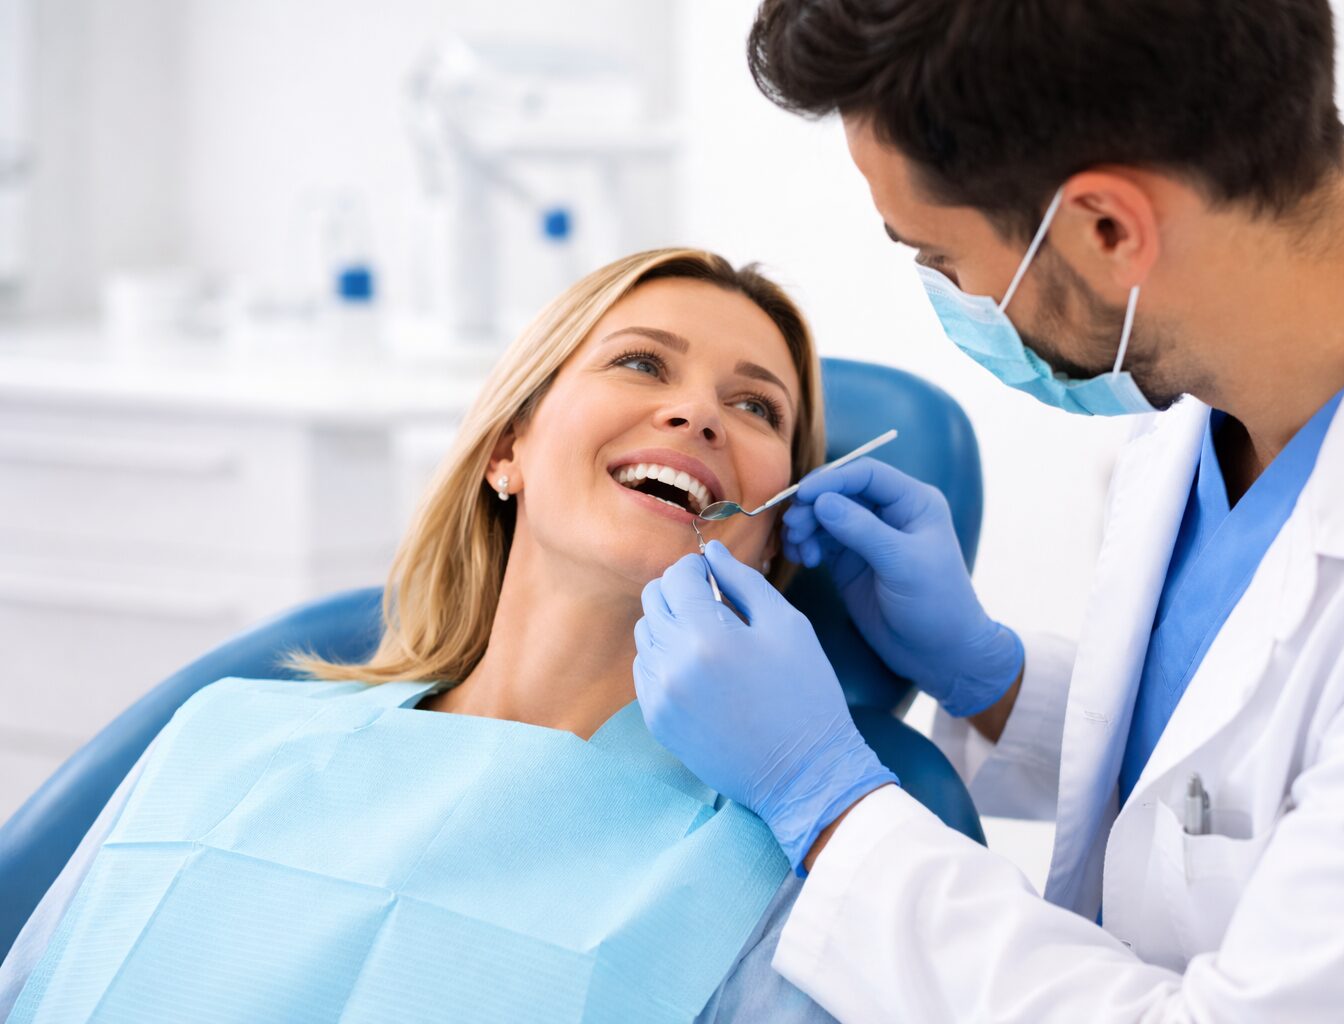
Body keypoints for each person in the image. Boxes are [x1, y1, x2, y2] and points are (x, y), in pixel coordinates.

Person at [631, 1, 1344, 1020]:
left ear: (1108, 228)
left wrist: (827, 802)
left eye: (938, 258)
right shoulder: (1224, 373)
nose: (956, 297)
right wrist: (997, 679)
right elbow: (1220, 787)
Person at [0, 249, 838, 1023]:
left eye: (756, 406)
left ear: (769, 541)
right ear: (508, 446)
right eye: (641, 362)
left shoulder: (784, 881)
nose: (697, 414)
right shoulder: (222, 737)